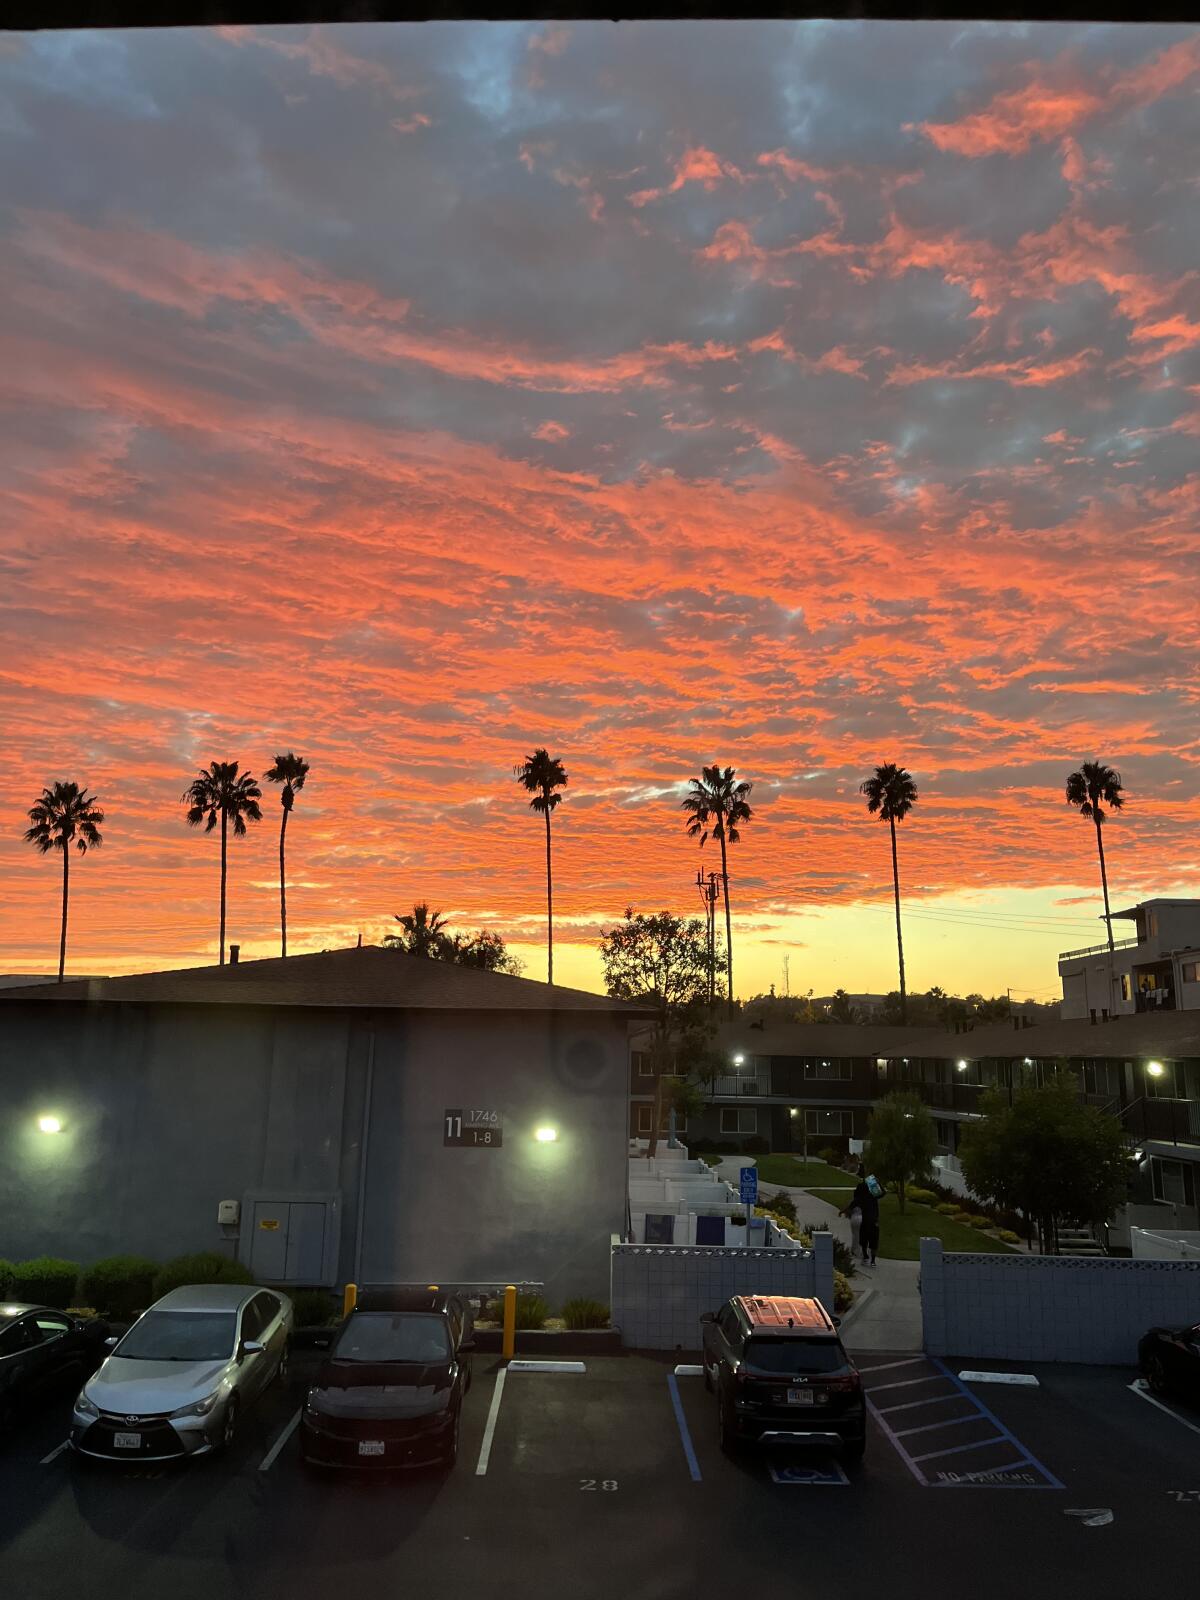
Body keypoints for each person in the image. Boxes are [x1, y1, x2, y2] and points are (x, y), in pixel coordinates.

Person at [842, 1174, 880, 1265]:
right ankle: (873, 1260)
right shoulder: (873, 1198)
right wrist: (874, 1183)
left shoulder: (860, 1199)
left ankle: (864, 1256)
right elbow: (881, 1193)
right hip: (874, 1222)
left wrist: (843, 1211)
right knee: (873, 1241)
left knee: (863, 1240)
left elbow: (851, 1207)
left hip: (864, 1221)